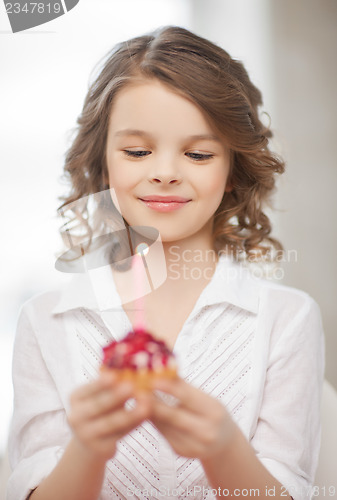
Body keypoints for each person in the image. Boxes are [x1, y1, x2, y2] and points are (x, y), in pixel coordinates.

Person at [7, 26, 324, 500]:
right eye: (137, 151)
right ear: (103, 161)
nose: (165, 172)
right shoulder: (45, 321)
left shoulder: (286, 319)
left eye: (197, 153)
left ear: (233, 171)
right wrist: (88, 450)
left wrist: (223, 449)